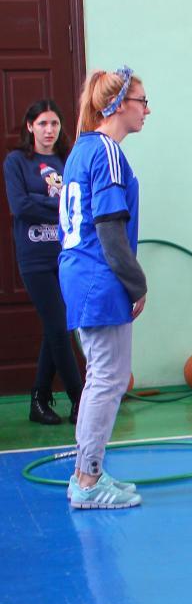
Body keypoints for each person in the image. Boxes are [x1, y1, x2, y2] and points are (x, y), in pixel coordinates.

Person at [58, 67, 150, 510]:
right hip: (100, 275)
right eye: (142, 101)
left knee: (102, 377)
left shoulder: (81, 149)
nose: (147, 110)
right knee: (107, 379)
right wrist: (137, 283)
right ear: (117, 106)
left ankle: (87, 470)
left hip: (80, 273)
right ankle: (88, 480)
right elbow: (110, 231)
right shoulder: (107, 151)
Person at [4, 99, 83, 425]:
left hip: (66, 255)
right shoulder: (16, 162)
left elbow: (78, 205)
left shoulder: (68, 160)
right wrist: (58, 206)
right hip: (34, 258)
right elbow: (20, 206)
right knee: (59, 327)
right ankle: (80, 400)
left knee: (57, 327)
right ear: (30, 126)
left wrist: (42, 200)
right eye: (42, 124)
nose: (49, 130)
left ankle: (38, 400)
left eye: (54, 123)